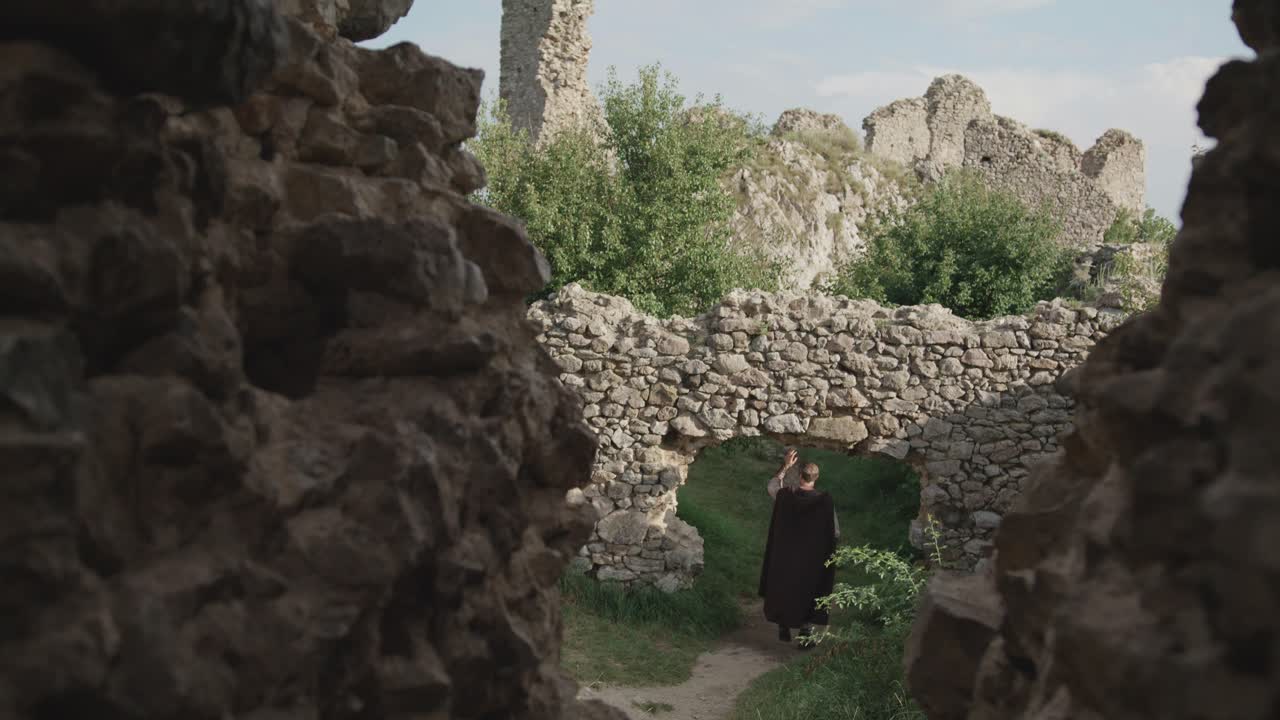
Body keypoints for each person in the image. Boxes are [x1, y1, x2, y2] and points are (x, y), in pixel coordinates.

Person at [758, 447, 840, 644]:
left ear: (800, 475)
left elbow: (772, 486)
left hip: (786, 554)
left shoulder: (786, 495)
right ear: (816, 478)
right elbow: (835, 532)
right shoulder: (825, 502)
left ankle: (784, 626)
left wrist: (785, 467)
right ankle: (805, 630)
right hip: (811, 557)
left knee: (785, 586)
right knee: (809, 589)